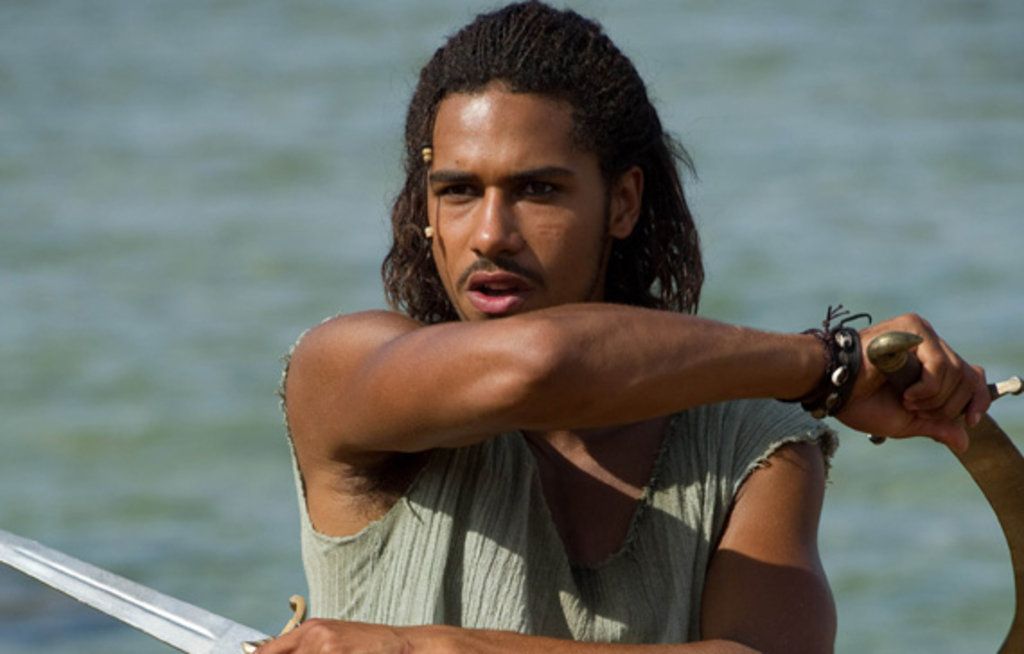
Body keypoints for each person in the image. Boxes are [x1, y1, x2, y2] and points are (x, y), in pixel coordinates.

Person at [260, 3, 989, 652]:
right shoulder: (344, 373)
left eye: (537, 189)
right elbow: (537, 369)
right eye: (458, 191)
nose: (489, 234)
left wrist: (424, 649)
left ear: (623, 202)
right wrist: (825, 365)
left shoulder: (751, 442)